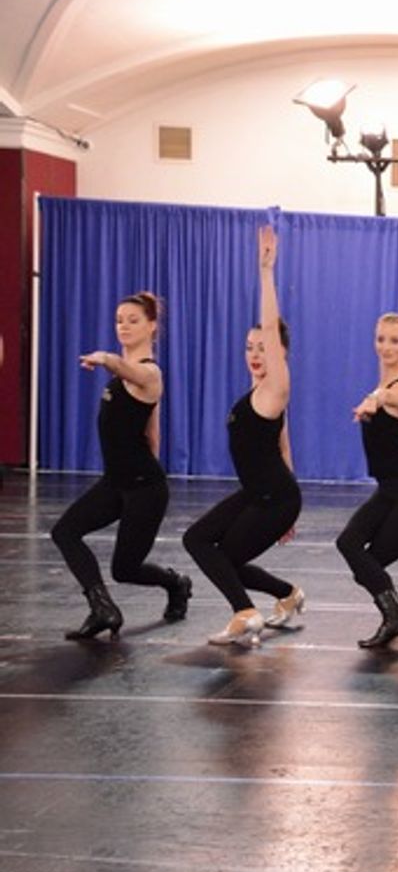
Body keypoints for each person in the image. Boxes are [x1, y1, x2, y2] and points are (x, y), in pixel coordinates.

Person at [184, 226, 304, 648]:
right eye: (249, 347)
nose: (255, 353)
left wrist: (266, 272)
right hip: (264, 494)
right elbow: (283, 446)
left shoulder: (277, 386)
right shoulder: (260, 395)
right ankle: (287, 595)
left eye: (262, 347)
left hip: (273, 497)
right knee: (199, 541)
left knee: (217, 552)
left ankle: (245, 613)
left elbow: (271, 328)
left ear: (278, 354)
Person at [51, 291, 191, 639]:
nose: (124, 326)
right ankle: (102, 609)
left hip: (145, 488)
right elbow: (152, 433)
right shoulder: (122, 377)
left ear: (152, 326)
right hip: (116, 483)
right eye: (119, 320)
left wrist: (106, 358)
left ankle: (177, 583)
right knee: (65, 532)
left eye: (133, 320)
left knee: (125, 569)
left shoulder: (150, 373)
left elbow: (129, 371)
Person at [335, 312, 398, 650]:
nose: (386, 347)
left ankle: (396, 618)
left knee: (369, 565)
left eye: (395, 340)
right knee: (350, 545)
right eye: (381, 339)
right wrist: (375, 396)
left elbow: (392, 399)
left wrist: (374, 400)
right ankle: (396, 617)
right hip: (391, 491)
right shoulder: (385, 386)